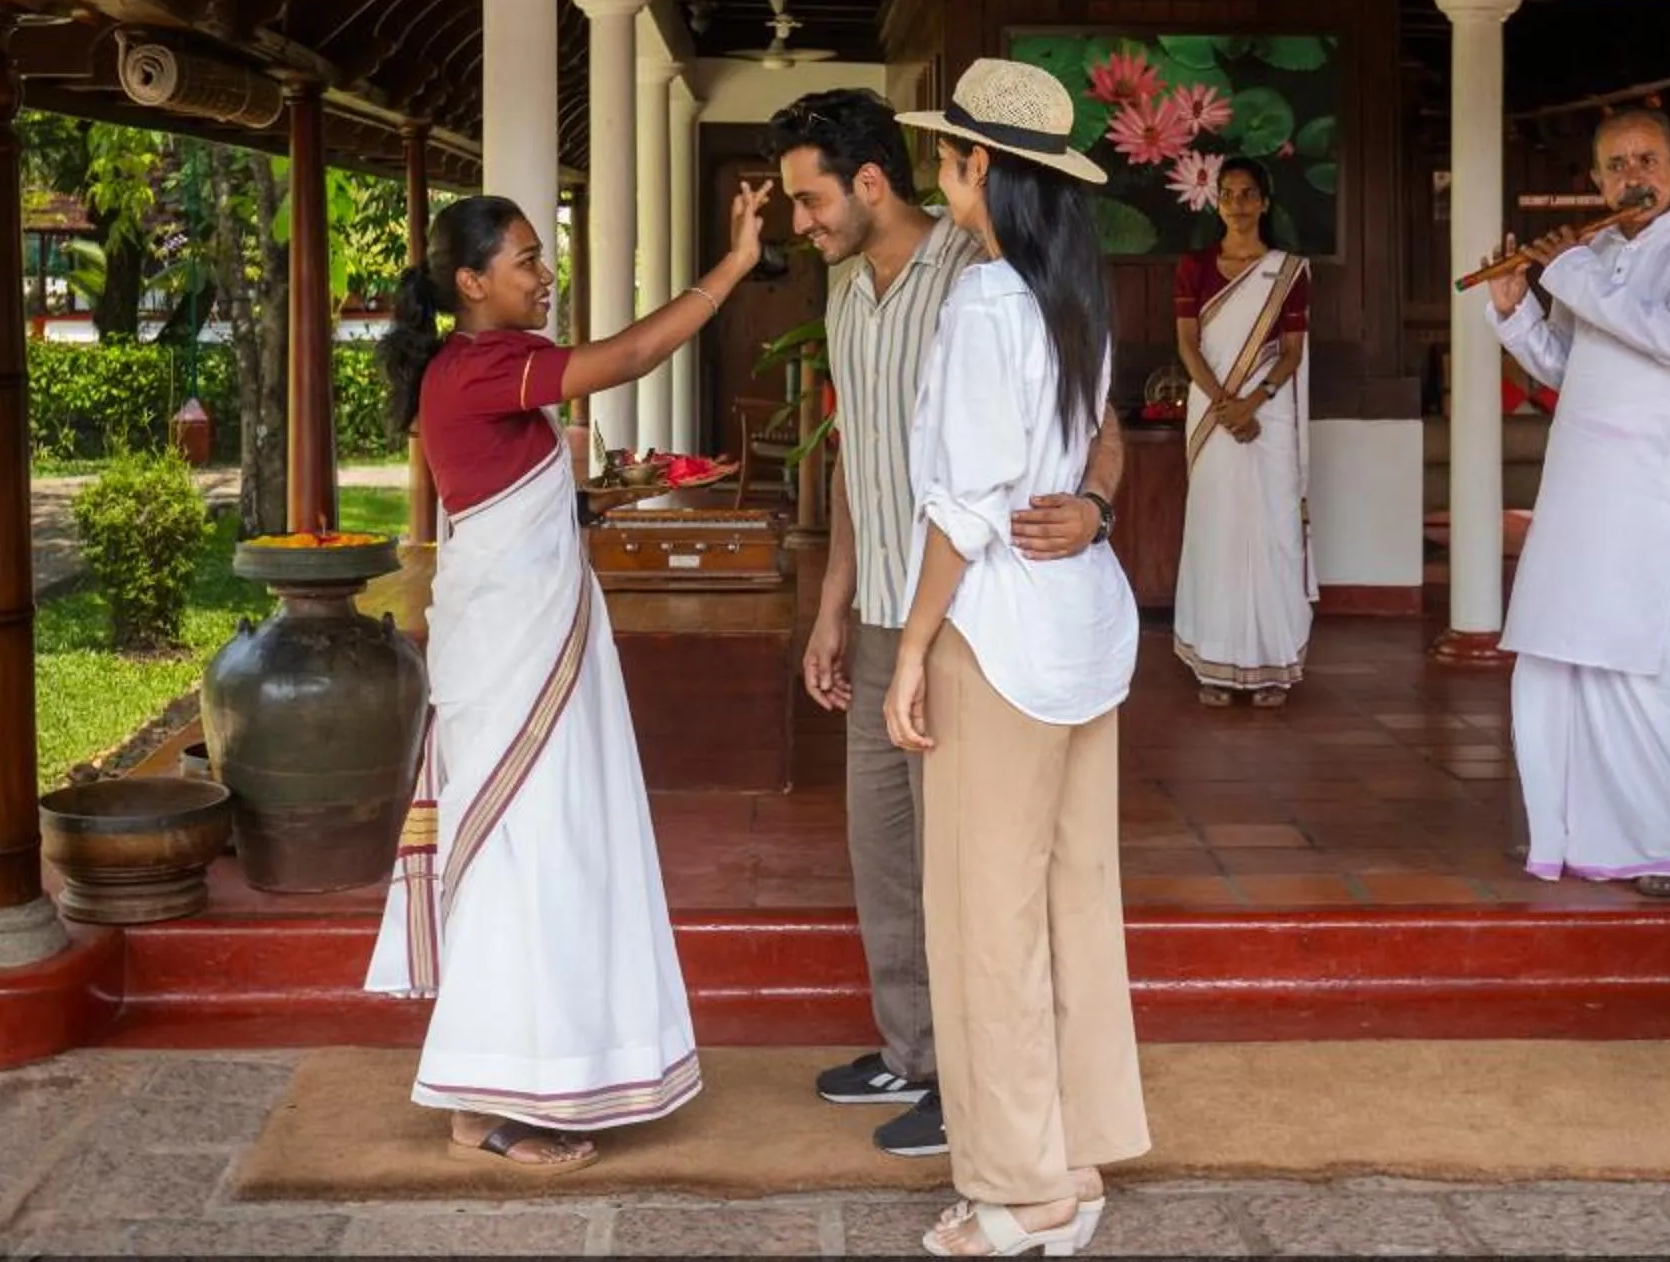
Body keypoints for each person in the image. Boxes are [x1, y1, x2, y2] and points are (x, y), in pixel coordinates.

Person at [364, 180, 774, 1170]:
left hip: (530, 642)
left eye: (541, 259)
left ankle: (543, 1069)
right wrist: (734, 268)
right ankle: (479, 1101)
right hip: (513, 654)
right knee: (523, 853)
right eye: (525, 262)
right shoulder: (479, 368)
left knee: (551, 851)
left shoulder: (484, 365)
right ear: (470, 282)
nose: (544, 278)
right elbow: (627, 358)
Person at [766, 88, 1123, 1160]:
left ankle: (976, 1084)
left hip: (963, 618)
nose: (802, 223)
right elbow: (859, 465)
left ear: (871, 182)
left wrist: (1096, 505)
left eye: (809, 199)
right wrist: (832, 608)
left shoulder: (981, 283)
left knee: (971, 865)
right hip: (885, 607)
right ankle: (915, 1053)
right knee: (885, 851)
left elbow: (1094, 430)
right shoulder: (843, 297)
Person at [885, 58, 1149, 1259]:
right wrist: (1094, 504)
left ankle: (1025, 1187)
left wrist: (913, 647)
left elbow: (964, 508)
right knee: (1070, 898)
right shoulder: (1074, 293)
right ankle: (1074, 1154)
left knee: (985, 917)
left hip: (996, 635)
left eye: (948, 155)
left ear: (982, 168)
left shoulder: (989, 302)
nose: (940, 173)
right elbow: (1101, 443)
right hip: (1081, 628)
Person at [1486, 108, 1670, 901]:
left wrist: (1565, 274)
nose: (1634, 175)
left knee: (1653, 658)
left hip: (1656, 487)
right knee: (1564, 650)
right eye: (1617, 164)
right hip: (1580, 485)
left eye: (1648, 159)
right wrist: (1512, 305)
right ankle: (1573, 827)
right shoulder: (1593, 250)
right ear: (1596, 180)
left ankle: (1669, 843)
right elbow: (1567, 363)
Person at [1170, 156, 1314, 707]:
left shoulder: (1288, 271)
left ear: (1264, 201)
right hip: (1211, 414)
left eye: (1247, 194)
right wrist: (1226, 403)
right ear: (1217, 202)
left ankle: (1272, 665)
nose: (1236, 204)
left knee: (1271, 531)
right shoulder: (1194, 265)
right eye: (1227, 194)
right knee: (1216, 530)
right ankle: (1216, 664)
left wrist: (1254, 402)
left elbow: (1293, 353)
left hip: (1268, 418)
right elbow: (1188, 344)